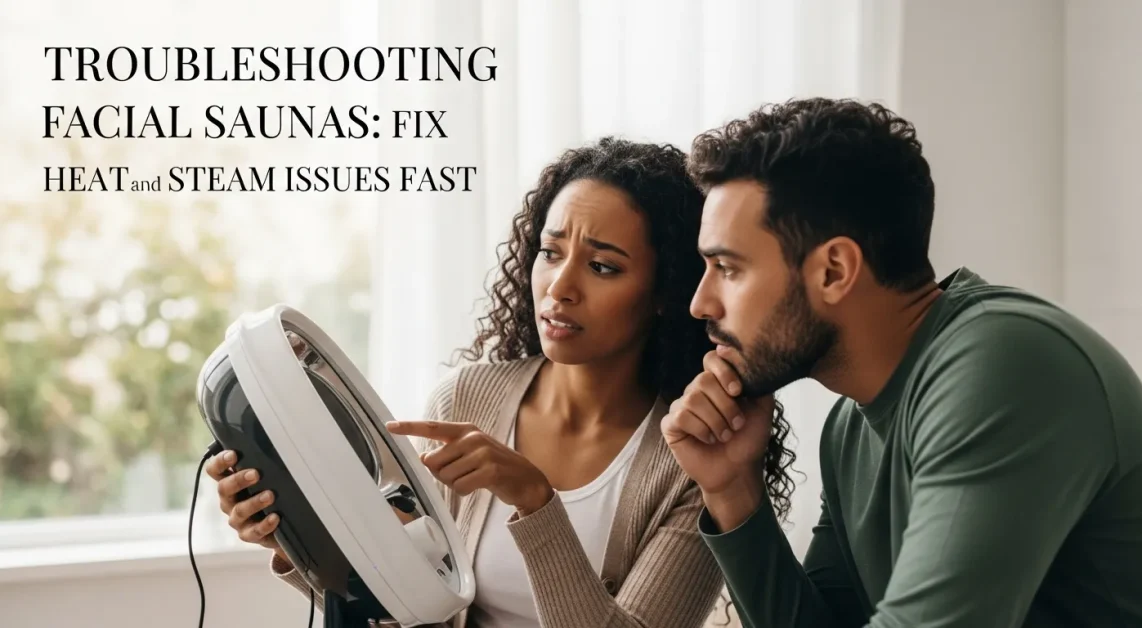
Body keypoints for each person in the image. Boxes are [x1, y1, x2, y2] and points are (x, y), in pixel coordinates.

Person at [206, 137, 752, 627]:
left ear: (665, 291)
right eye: (550, 252)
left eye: (602, 267)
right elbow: (401, 605)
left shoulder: (698, 460)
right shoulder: (467, 400)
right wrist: (291, 535)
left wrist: (536, 502)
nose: (559, 287)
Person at [661, 97, 1142, 627]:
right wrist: (733, 490)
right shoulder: (850, 427)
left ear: (834, 270)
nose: (700, 303)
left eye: (727, 268)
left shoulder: (1004, 366)